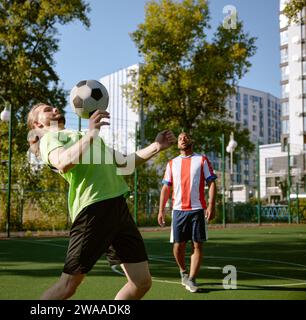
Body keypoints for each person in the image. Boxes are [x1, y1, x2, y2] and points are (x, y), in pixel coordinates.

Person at [26, 103, 176, 300]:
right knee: (68, 285)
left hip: (118, 208)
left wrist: (157, 146)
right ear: (37, 123)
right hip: (93, 210)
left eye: (53, 107)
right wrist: (91, 134)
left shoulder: (84, 136)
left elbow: (124, 163)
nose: (54, 109)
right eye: (47, 110)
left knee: (141, 282)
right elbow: (62, 162)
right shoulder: (50, 139)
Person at [157, 132, 217, 293]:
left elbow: (211, 182)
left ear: (192, 140)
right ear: (177, 144)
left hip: (198, 209)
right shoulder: (172, 163)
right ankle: (183, 271)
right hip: (178, 211)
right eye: (179, 138)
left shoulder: (202, 160)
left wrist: (212, 205)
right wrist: (161, 210)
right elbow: (166, 188)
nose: (182, 139)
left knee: (197, 245)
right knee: (178, 246)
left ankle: (191, 279)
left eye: (185, 137)